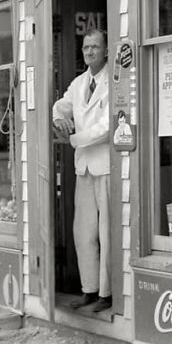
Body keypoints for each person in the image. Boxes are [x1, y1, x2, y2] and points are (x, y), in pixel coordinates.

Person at [52, 28, 111, 312]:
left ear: (106, 50)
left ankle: (107, 293)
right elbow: (60, 106)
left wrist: (73, 139)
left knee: (107, 232)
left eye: (95, 47)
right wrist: (59, 120)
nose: (90, 51)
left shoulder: (114, 80)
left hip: (106, 165)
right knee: (83, 231)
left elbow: (107, 127)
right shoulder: (78, 84)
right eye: (86, 47)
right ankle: (89, 288)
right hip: (84, 167)